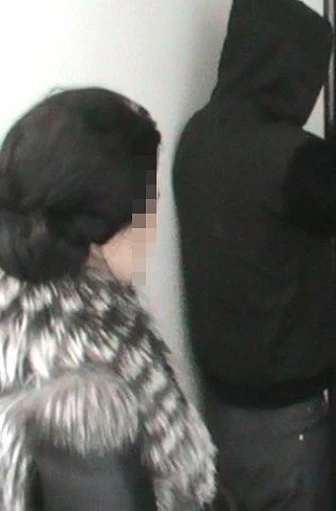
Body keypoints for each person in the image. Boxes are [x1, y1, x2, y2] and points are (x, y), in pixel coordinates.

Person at [172, 0, 336, 509]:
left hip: (224, 408)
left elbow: (295, 186)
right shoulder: (290, 157)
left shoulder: (200, 134)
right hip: (284, 418)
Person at [0, 88, 218, 510]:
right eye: (150, 201)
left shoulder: (33, 317)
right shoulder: (83, 400)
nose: (155, 218)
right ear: (105, 222)